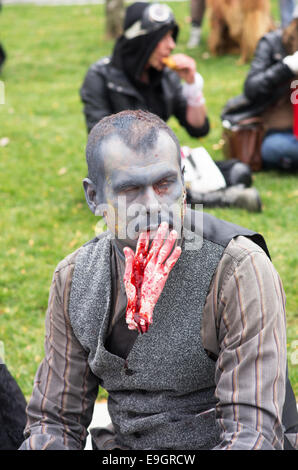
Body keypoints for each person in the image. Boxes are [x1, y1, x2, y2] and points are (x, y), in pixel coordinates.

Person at [20, 110, 297, 450]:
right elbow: (54, 420)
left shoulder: (238, 268)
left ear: (183, 182)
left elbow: (253, 434)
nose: (152, 205)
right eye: (130, 189)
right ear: (94, 198)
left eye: (165, 184)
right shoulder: (74, 278)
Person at [80, 1, 262, 212]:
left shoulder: (164, 76)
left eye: (171, 37)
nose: (171, 45)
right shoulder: (100, 77)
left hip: (160, 162)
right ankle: (224, 198)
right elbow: (98, 139)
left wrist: (192, 84)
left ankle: (204, 193)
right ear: (143, 40)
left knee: (239, 171)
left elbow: (198, 128)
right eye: (162, 38)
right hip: (123, 169)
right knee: (153, 186)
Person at [243, 8, 298, 170]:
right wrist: (286, 68)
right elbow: (251, 89)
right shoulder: (273, 43)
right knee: (274, 148)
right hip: (279, 131)